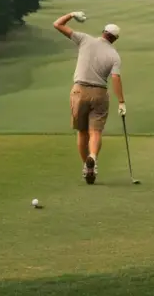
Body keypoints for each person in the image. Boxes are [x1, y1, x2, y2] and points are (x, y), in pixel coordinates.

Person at [52, 10, 125, 184]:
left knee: (82, 132)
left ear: (103, 32)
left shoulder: (85, 39)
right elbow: (116, 78)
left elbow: (57, 24)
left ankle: (87, 166)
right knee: (95, 131)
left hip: (79, 91)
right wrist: (121, 102)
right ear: (115, 39)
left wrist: (71, 14)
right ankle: (93, 156)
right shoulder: (114, 55)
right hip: (99, 93)